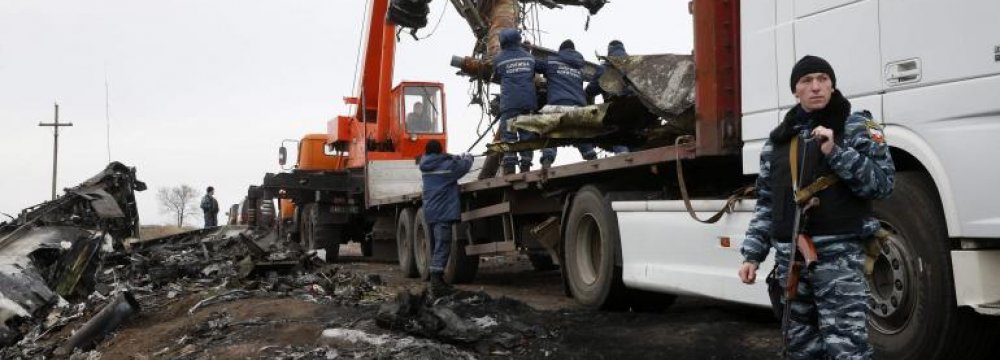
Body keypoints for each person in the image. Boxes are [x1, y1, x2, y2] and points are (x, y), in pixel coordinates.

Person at [738, 55, 895, 359]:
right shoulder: (778, 141)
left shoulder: (858, 126)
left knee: (847, 349)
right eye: (806, 81)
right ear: (795, 91)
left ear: (832, 85)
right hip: (791, 262)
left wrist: (835, 151)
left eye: (823, 79)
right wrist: (752, 255)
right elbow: (768, 204)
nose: (816, 87)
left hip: (839, 259)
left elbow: (882, 184)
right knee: (799, 349)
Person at [419, 140, 473, 297]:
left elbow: (448, 165)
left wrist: (451, 158)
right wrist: (467, 156)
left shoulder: (426, 166)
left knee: (439, 244)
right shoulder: (446, 167)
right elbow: (463, 167)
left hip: (432, 211)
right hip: (442, 211)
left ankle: (439, 280)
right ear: (439, 151)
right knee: (443, 244)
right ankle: (436, 282)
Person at [533, 39, 598, 169]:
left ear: (560, 51)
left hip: (558, 103)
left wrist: (525, 50)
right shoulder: (579, 68)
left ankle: (547, 161)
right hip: (578, 106)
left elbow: (533, 64)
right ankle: (593, 160)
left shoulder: (552, 62)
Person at [493, 28, 545, 175]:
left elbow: (496, 75)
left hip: (509, 104)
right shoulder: (529, 57)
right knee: (527, 134)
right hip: (528, 103)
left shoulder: (499, 59)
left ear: (502, 42)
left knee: (509, 135)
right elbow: (540, 68)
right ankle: (526, 167)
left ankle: (510, 168)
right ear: (518, 40)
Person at [585, 40, 635, 154]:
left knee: (617, 135)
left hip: (618, 106)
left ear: (609, 50)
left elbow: (592, 89)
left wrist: (586, 95)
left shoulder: (605, 67)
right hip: (638, 106)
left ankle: (623, 159)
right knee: (636, 135)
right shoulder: (634, 63)